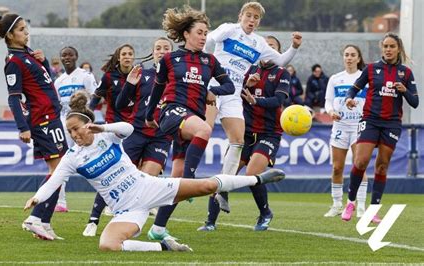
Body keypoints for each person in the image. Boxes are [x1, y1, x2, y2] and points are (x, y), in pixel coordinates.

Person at [23, 92, 286, 252]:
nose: (74, 134)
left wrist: (103, 128)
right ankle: (162, 245)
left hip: (147, 187)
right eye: (69, 131)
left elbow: (127, 129)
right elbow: (54, 181)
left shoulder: (106, 137)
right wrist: (37, 197)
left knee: (206, 186)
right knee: (107, 246)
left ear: (87, 124)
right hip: (126, 209)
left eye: (76, 128)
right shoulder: (72, 157)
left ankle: (257, 178)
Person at [144, 6, 237, 241]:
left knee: (176, 183)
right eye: (199, 32)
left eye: (206, 33)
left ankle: (158, 228)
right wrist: (149, 114)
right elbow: (157, 87)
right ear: (186, 34)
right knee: (205, 129)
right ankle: (190, 178)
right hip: (172, 112)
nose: (204, 37)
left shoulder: (210, 60)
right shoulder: (170, 59)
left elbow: (230, 87)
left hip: (190, 118)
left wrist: (211, 90)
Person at [203, 1, 302, 213]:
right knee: (203, 131)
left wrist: (294, 46)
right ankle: (186, 178)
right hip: (214, 86)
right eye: (248, 15)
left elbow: (282, 59)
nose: (251, 20)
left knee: (237, 142)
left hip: (233, 94)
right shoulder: (229, 29)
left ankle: (221, 190)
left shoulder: (259, 43)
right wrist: (205, 67)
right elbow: (208, 41)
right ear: (241, 16)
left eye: (256, 18)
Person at [0, 13, 68, 240]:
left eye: (26, 28)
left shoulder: (28, 55)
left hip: (52, 117)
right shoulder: (14, 62)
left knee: (59, 171)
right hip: (43, 120)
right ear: (10, 35)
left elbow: (45, 82)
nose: (26, 33)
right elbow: (14, 98)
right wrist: (23, 127)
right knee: (59, 170)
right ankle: (35, 218)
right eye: (21, 30)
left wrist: (45, 62)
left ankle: (44, 222)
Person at [82, 37, 174, 237]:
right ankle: (94, 219)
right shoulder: (143, 74)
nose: (162, 51)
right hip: (137, 132)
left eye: (166, 48)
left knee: (147, 180)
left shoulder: (178, 78)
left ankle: (129, 225)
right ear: (153, 52)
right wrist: (130, 84)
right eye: (158, 48)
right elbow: (121, 104)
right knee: (115, 174)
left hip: (161, 136)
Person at [198, 36, 289, 231]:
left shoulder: (282, 73)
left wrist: (257, 101)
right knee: (225, 173)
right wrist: (248, 86)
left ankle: (265, 213)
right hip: (245, 132)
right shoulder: (248, 70)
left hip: (269, 133)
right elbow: (234, 93)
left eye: (273, 47)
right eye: (267, 46)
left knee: (252, 173)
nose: (268, 51)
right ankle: (210, 223)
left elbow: (278, 100)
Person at [342, 33, 419, 223]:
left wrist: (405, 91)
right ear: (381, 48)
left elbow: (415, 102)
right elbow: (354, 88)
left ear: (398, 49)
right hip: (370, 119)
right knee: (361, 161)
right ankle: (350, 202)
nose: (388, 49)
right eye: (385, 46)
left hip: (391, 123)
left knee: (382, 166)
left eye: (392, 46)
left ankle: (374, 209)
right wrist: (349, 99)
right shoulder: (371, 69)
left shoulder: (406, 73)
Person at [83, 44, 136, 230]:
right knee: (111, 170)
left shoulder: (140, 75)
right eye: (124, 54)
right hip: (112, 129)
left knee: (131, 171)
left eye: (130, 54)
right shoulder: (108, 77)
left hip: (134, 128)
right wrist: (86, 116)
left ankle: (125, 208)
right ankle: (93, 219)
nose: (127, 57)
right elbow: (96, 98)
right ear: (119, 57)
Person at [323, 45, 368, 218]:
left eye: (353, 55)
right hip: (340, 127)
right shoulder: (335, 79)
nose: (349, 58)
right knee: (337, 168)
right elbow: (328, 101)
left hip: (359, 127)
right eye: (347, 55)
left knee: (360, 166)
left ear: (358, 58)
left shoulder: (365, 78)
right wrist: (331, 112)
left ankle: (361, 206)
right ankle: (336, 204)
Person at [53, 46, 98, 213]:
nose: (67, 58)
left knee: (93, 159)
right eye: (64, 55)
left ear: (76, 56)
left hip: (83, 126)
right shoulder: (59, 81)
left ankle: (106, 201)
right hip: (65, 126)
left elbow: (95, 97)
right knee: (61, 162)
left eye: (70, 55)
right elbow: (57, 105)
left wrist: (88, 118)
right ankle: (61, 202)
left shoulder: (85, 76)